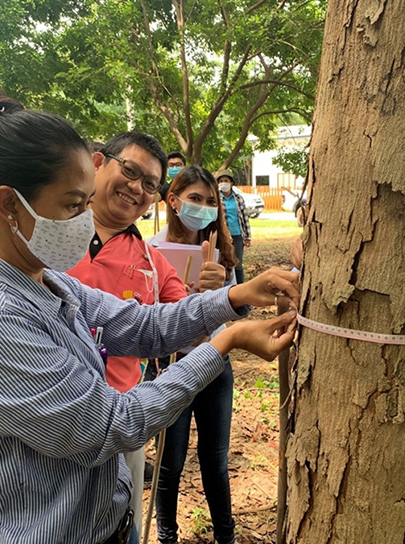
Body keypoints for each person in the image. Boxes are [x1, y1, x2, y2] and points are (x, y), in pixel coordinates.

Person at [0, 78, 298, 544]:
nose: (85, 220)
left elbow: (142, 324)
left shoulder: (48, 283)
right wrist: (226, 340)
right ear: (9, 205)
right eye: (71, 205)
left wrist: (236, 297)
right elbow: (113, 425)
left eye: (85, 203)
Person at [67, 132, 190, 534]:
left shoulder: (152, 262)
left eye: (150, 184)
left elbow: (185, 321)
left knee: (124, 526)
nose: (136, 188)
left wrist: (214, 294)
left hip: (122, 421)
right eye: (130, 170)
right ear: (99, 162)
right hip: (52, 413)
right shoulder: (50, 235)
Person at [148, 166, 238, 544]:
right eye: (195, 199)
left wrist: (218, 295)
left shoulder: (222, 255)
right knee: (170, 462)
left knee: (215, 461)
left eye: (210, 201)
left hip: (215, 366)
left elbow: (235, 310)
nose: (202, 208)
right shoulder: (151, 250)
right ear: (173, 200)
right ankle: (167, 536)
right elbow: (139, 314)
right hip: (171, 368)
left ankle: (226, 536)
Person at [217, 169, 250, 284]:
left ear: (231, 183)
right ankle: (227, 291)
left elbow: (244, 217)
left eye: (226, 180)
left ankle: (241, 290)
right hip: (223, 236)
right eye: (221, 181)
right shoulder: (216, 199)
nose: (223, 183)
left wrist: (247, 236)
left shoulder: (238, 198)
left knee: (238, 264)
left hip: (238, 235)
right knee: (225, 263)